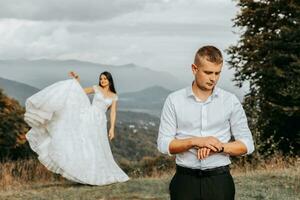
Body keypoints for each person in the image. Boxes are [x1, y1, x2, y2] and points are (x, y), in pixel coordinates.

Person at [157, 45, 254, 200]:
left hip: (220, 181)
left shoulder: (230, 101)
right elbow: (163, 144)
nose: (213, 78)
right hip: (184, 181)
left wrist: (218, 147)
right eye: (208, 72)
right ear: (194, 69)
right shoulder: (174, 100)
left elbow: (247, 144)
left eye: (217, 73)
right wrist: (196, 142)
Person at [24, 71, 129, 185]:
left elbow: (113, 112)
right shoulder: (96, 88)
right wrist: (77, 80)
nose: (102, 81)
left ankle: (96, 173)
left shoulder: (114, 96)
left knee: (97, 145)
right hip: (89, 116)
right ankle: (85, 173)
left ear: (109, 80)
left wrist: (112, 128)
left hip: (100, 121)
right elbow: (79, 92)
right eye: (101, 78)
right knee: (85, 143)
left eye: (105, 79)